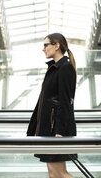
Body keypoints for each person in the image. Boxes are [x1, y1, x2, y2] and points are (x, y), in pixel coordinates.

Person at [27, 33, 77, 178]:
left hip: (56, 130)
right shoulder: (54, 68)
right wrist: (33, 129)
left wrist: (59, 131)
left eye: (45, 45)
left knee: (60, 173)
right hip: (49, 128)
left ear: (57, 46)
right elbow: (44, 102)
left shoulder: (65, 68)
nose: (43, 49)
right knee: (53, 173)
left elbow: (65, 101)